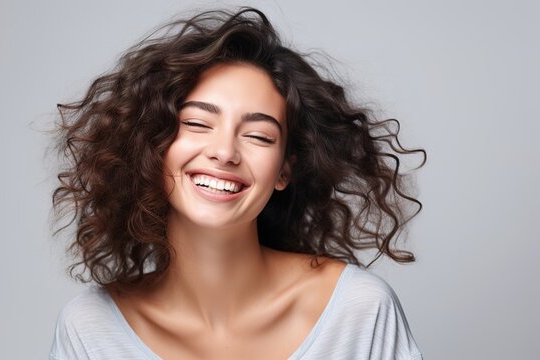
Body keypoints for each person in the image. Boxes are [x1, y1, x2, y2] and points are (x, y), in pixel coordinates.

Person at [49, 7, 426, 360]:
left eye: (259, 136)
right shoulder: (90, 330)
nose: (225, 152)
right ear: (153, 146)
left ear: (284, 171)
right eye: (196, 124)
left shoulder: (358, 312)